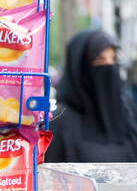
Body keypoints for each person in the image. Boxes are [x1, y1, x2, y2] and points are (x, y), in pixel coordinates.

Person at [47, 30, 137, 163]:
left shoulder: (126, 111)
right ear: (80, 67)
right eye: (100, 60)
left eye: (113, 59)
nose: (109, 66)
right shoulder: (59, 121)